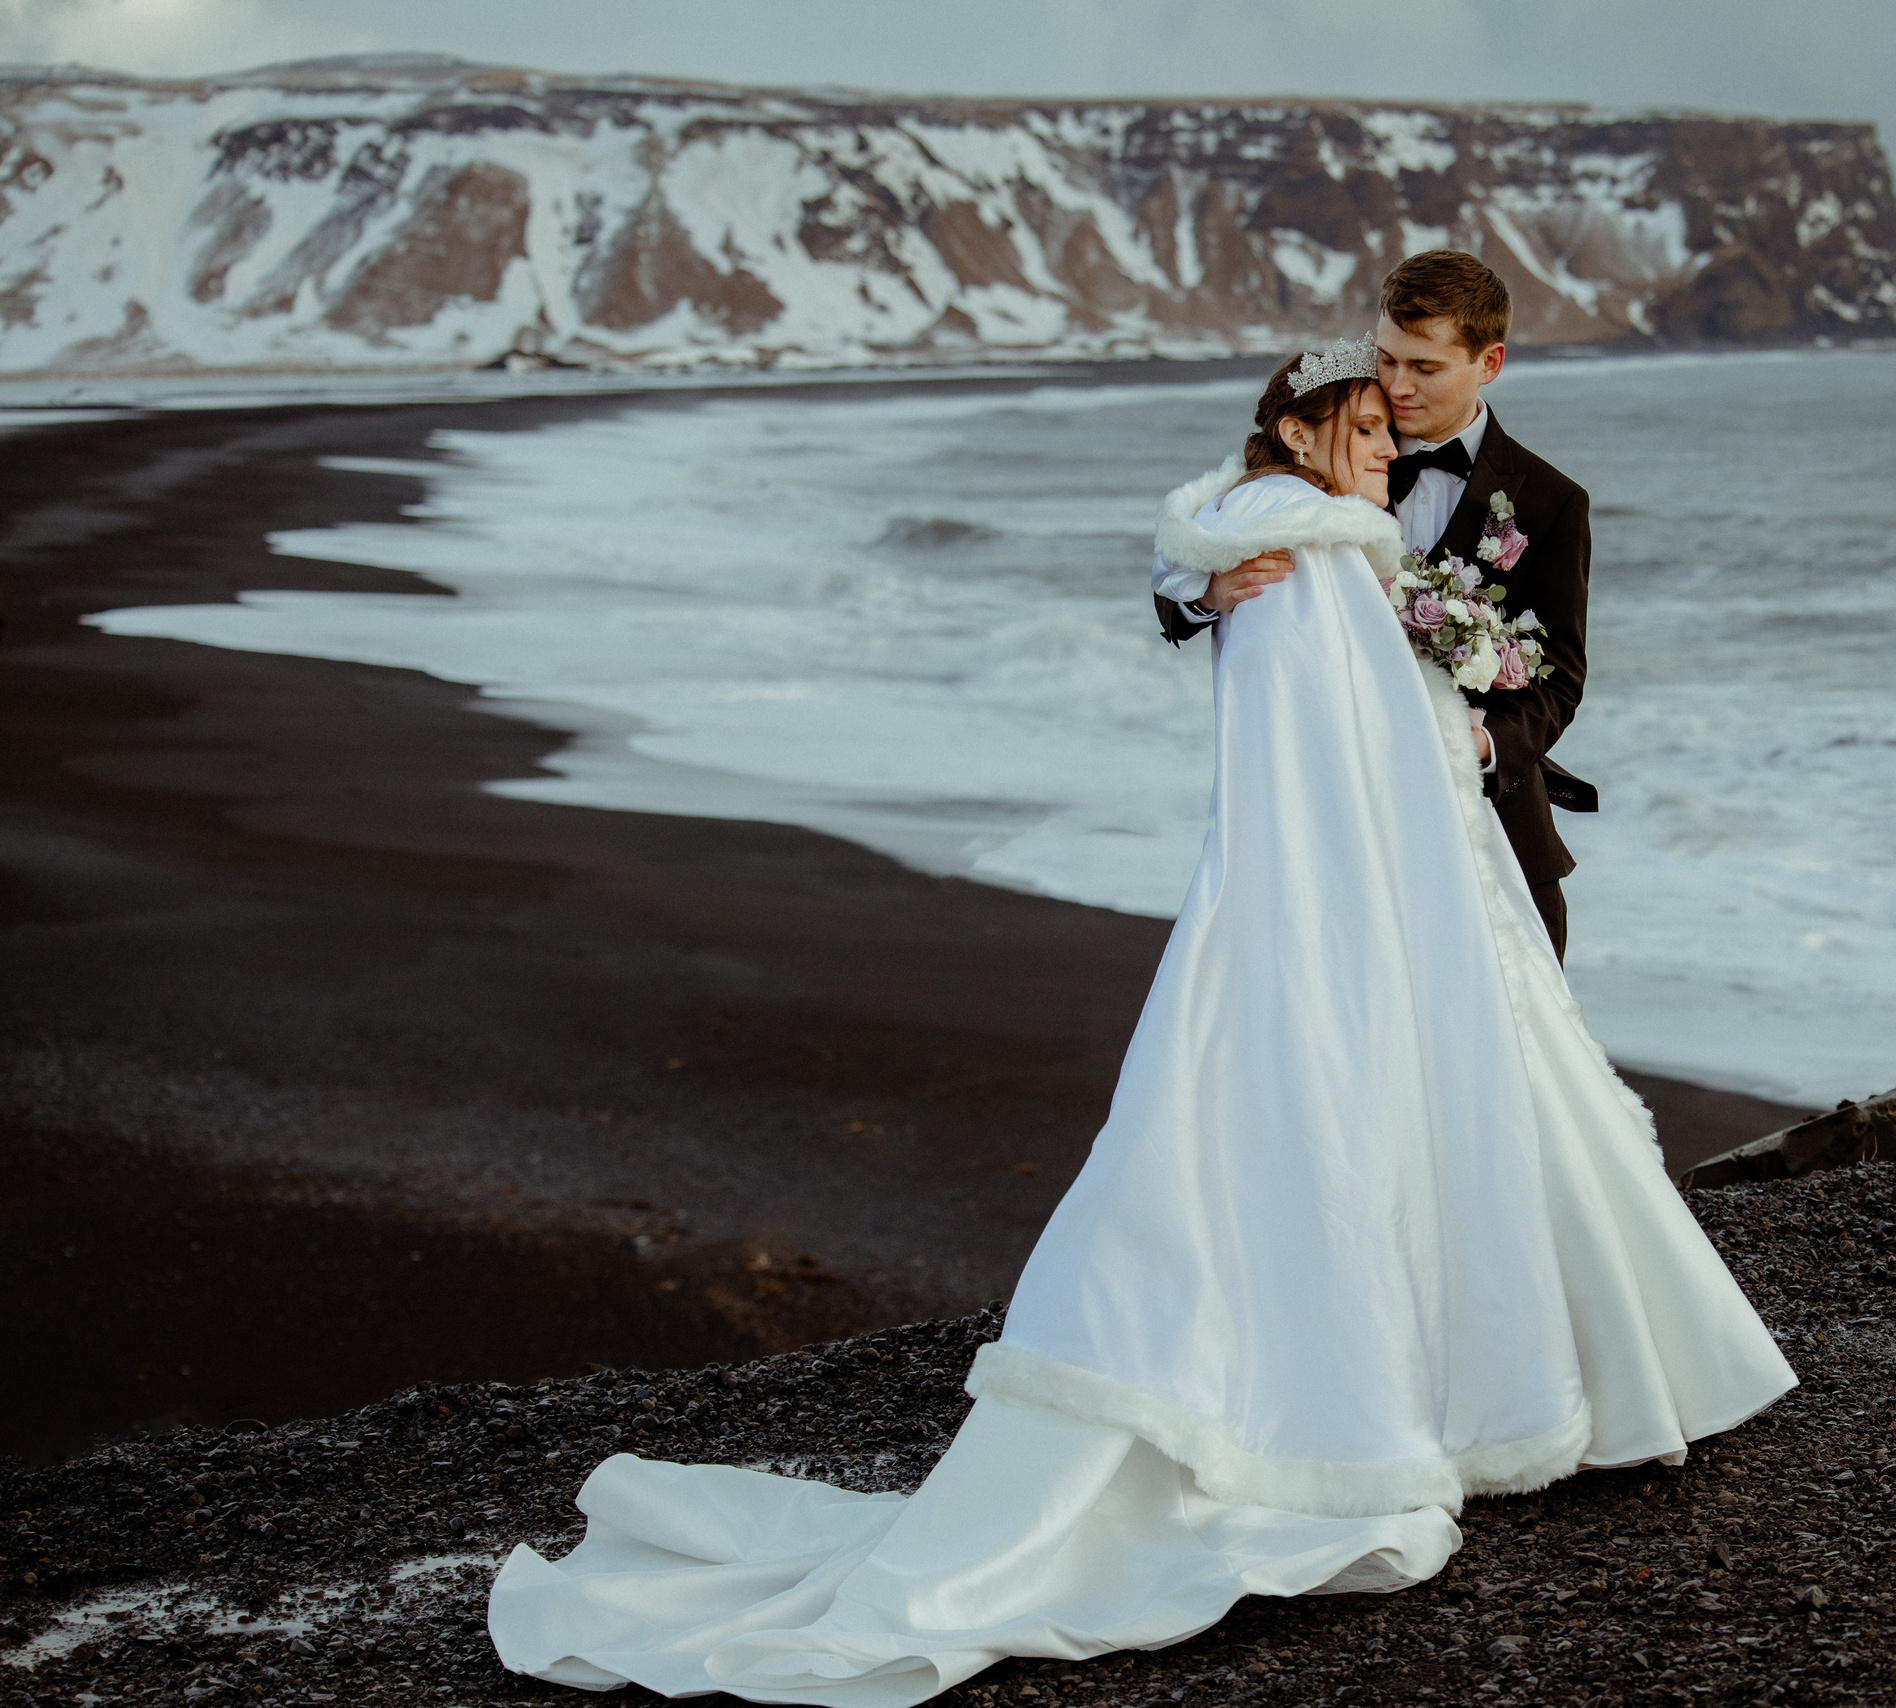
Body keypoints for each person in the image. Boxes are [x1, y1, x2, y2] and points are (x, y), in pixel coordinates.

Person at [486, 332, 1794, 1707]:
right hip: (1353, 883)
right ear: (1299, 432)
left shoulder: (1404, 517)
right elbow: (1313, 734)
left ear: (1479, 359)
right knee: (1376, 1129)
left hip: (1425, 850)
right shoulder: (1303, 549)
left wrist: (1462, 731)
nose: (1388, 440)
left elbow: (1521, 670)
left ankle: (1491, 1379)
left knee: (1465, 1114)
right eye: (1362, 419)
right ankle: (1416, 1402)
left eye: (1395, 410)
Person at [1153, 250, 1594, 959]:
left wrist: (1469, 746)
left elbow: (1559, 680)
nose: (1397, 385)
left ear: (1489, 362)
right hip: (1345, 846)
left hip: (1499, 841)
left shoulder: (1551, 503)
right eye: (1387, 359)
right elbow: (1198, 537)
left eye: (1425, 367)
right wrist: (1207, 594)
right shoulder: (1321, 442)